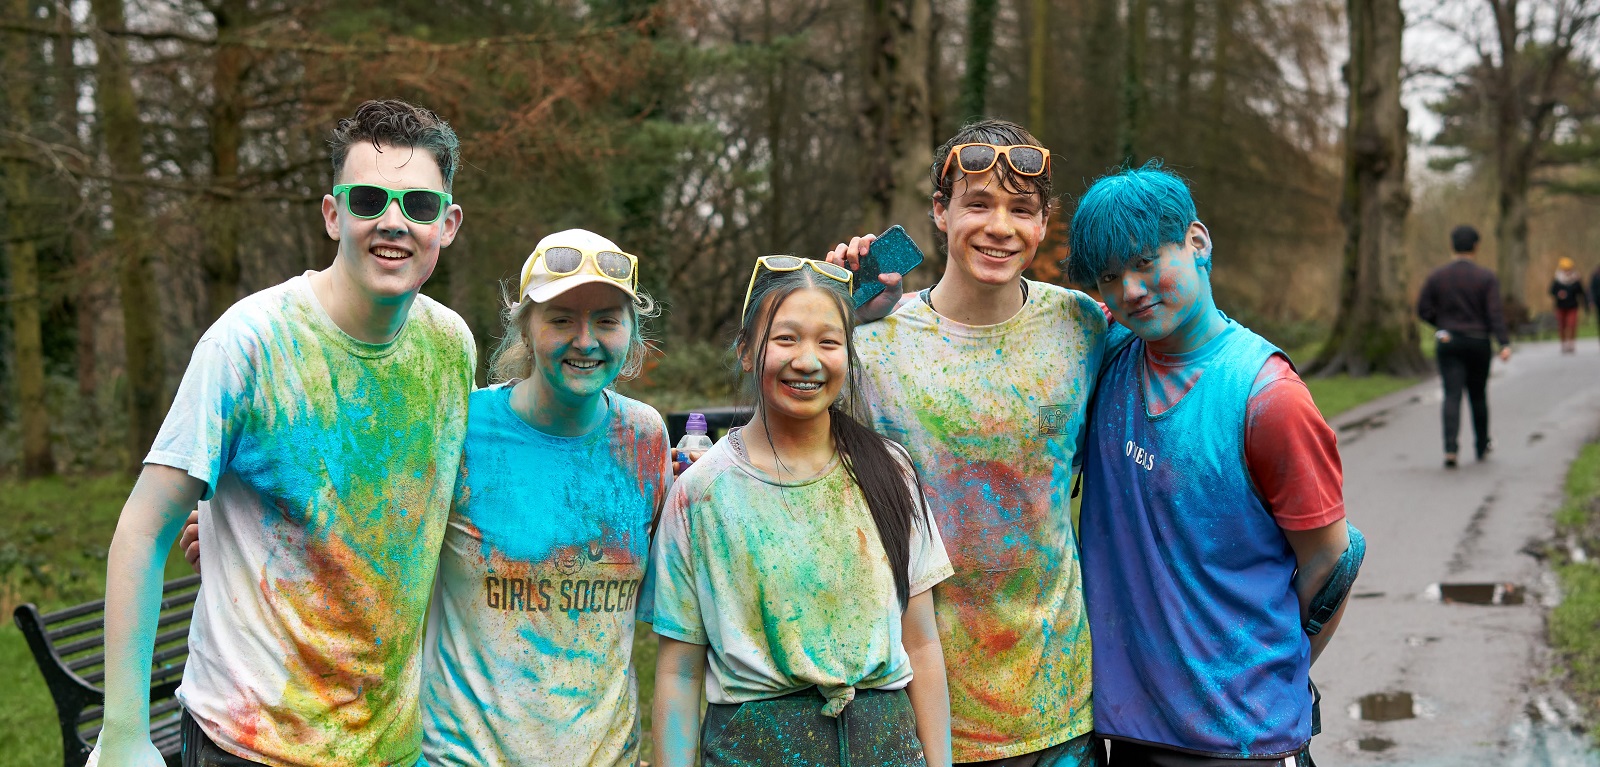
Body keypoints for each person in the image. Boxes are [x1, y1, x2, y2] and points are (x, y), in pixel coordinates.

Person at [91, 100, 475, 767]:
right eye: (368, 199)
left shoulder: (451, 346)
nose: (392, 221)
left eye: (417, 203)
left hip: (392, 747)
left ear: (448, 222)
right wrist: (122, 731)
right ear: (333, 214)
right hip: (248, 745)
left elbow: (428, 519)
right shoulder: (249, 343)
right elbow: (142, 529)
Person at [827, 119, 1118, 766]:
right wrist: (829, 310)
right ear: (939, 210)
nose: (999, 227)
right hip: (923, 709)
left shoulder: (1081, 328)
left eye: (1021, 209)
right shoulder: (874, 347)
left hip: (1061, 709)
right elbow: (785, 439)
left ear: (1045, 223)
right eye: (978, 203)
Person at [1067, 162, 1354, 767]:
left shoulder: (1268, 398)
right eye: (1111, 276)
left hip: (1241, 740)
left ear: (1197, 243)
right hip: (1132, 733)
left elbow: (1332, 556)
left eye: (1147, 262)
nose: (1132, 290)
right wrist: (867, 299)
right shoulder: (1110, 351)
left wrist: (1254, 659)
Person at [651, 258, 955, 767]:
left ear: (848, 355)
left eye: (829, 342)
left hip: (887, 748)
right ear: (747, 351)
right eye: (786, 339)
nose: (807, 360)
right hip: (752, 749)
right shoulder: (702, 493)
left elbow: (922, 645)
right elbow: (678, 672)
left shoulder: (891, 473)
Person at [421, 229, 671, 766]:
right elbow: (374, 536)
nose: (585, 341)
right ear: (526, 329)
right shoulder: (463, 427)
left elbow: (678, 587)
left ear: (630, 330)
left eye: (607, 319)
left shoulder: (644, 437)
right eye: (561, 320)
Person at [1416, 225, 1512, 468]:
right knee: (1478, 395)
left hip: (1449, 341)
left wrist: (1442, 325)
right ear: (1476, 247)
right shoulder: (1486, 278)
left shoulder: (1438, 277)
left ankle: (1450, 448)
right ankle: (1481, 445)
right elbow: (1494, 313)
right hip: (1478, 341)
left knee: (1452, 394)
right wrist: (1503, 342)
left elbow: (1422, 309)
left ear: (1452, 245)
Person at [1550, 257, 1586, 354]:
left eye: (1568, 269)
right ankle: (1564, 343)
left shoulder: (1576, 279)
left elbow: (1581, 292)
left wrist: (1585, 303)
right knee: (1562, 325)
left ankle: (1571, 343)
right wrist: (1558, 294)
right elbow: (1552, 291)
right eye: (1565, 269)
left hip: (1572, 306)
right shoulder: (1557, 279)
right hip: (1560, 306)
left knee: (1572, 324)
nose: (1567, 271)